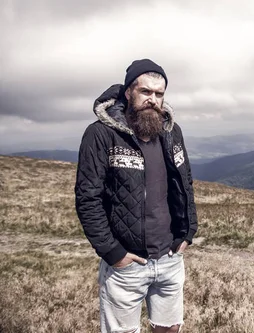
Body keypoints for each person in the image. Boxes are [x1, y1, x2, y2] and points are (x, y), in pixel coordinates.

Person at [75, 59, 198, 333]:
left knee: (169, 329)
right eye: (146, 92)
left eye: (159, 94)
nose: (153, 100)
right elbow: (87, 198)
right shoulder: (100, 134)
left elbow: (184, 183)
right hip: (126, 265)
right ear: (129, 92)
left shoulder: (171, 132)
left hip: (169, 258)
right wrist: (113, 252)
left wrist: (188, 232)